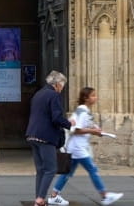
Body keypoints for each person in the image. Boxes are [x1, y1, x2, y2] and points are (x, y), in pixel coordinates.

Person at [48, 87, 123, 206]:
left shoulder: (83, 111)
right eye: (93, 95)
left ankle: (54, 195)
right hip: (78, 148)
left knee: (67, 173)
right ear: (85, 98)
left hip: (76, 147)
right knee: (92, 170)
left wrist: (95, 130)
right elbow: (76, 129)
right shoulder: (82, 111)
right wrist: (93, 131)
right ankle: (105, 196)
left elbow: (82, 127)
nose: (95, 97)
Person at [25, 70, 72, 206]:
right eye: (62, 86)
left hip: (32, 135)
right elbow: (56, 117)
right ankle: (40, 199)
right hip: (46, 137)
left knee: (40, 170)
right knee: (51, 169)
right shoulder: (54, 95)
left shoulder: (38, 94)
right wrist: (70, 124)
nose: (62, 89)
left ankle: (38, 198)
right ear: (57, 84)